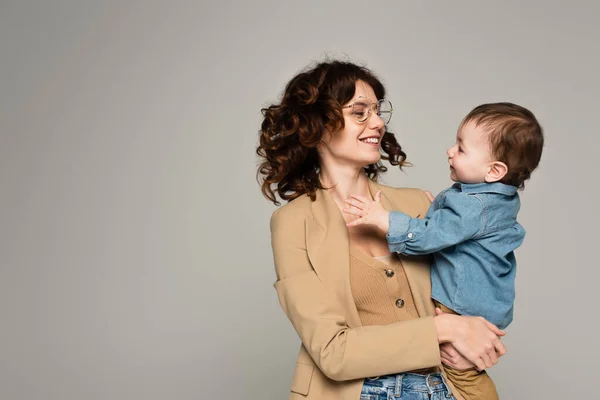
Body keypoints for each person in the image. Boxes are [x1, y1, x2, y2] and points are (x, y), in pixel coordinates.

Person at [257, 60, 506, 400]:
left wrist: (468, 335)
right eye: (360, 112)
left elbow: (479, 286)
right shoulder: (292, 223)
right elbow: (333, 352)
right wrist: (443, 329)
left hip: (446, 389)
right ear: (317, 126)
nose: (377, 123)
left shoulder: (419, 205)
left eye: (377, 111)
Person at [343, 102, 544, 399]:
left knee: (460, 372)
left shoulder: (474, 206)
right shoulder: (493, 198)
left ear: (494, 170)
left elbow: (429, 237)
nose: (450, 151)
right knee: (461, 370)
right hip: (487, 304)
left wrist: (384, 219)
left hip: (463, 306)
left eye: (462, 149)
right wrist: (437, 209)